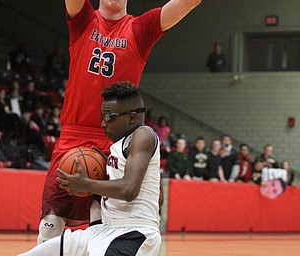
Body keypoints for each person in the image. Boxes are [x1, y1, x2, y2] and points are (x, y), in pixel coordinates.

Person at [38, 0, 202, 244]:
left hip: (116, 141)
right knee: (51, 219)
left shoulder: (140, 29)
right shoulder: (84, 19)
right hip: (74, 135)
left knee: (104, 221)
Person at [18, 82, 162, 256]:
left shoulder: (143, 134)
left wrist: (86, 184)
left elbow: (129, 190)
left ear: (132, 117)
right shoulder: (118, 149)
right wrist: (109, 166)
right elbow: (158, 198)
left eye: (109, 117)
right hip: (102, 230)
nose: (103, 123)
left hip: (131, 233)